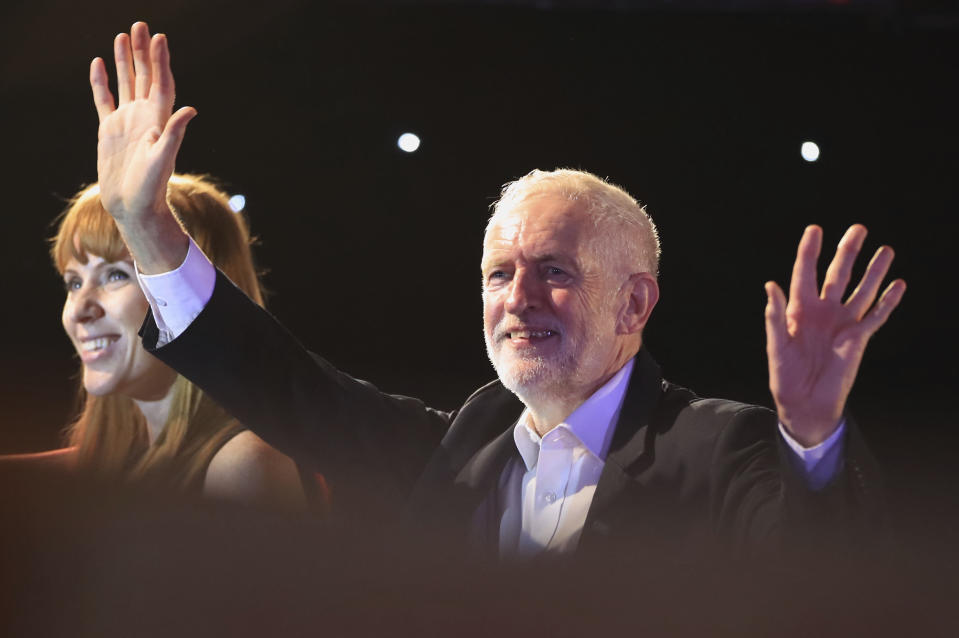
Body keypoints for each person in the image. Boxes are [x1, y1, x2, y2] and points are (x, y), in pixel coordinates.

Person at [87, 22, 905, 556]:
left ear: (634, 303)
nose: (518, 299)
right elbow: (285, 385)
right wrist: (146, 226)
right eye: (498, 275)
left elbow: (813, 579)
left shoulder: (720, 446)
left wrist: (812, 438)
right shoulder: (462, 445)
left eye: (554, 273)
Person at [3, 173, 311, 510]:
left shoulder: (242, 465)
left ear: (190, 293)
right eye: (74, 283)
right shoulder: (108, 462)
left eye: (115, 275)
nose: (79, 310)